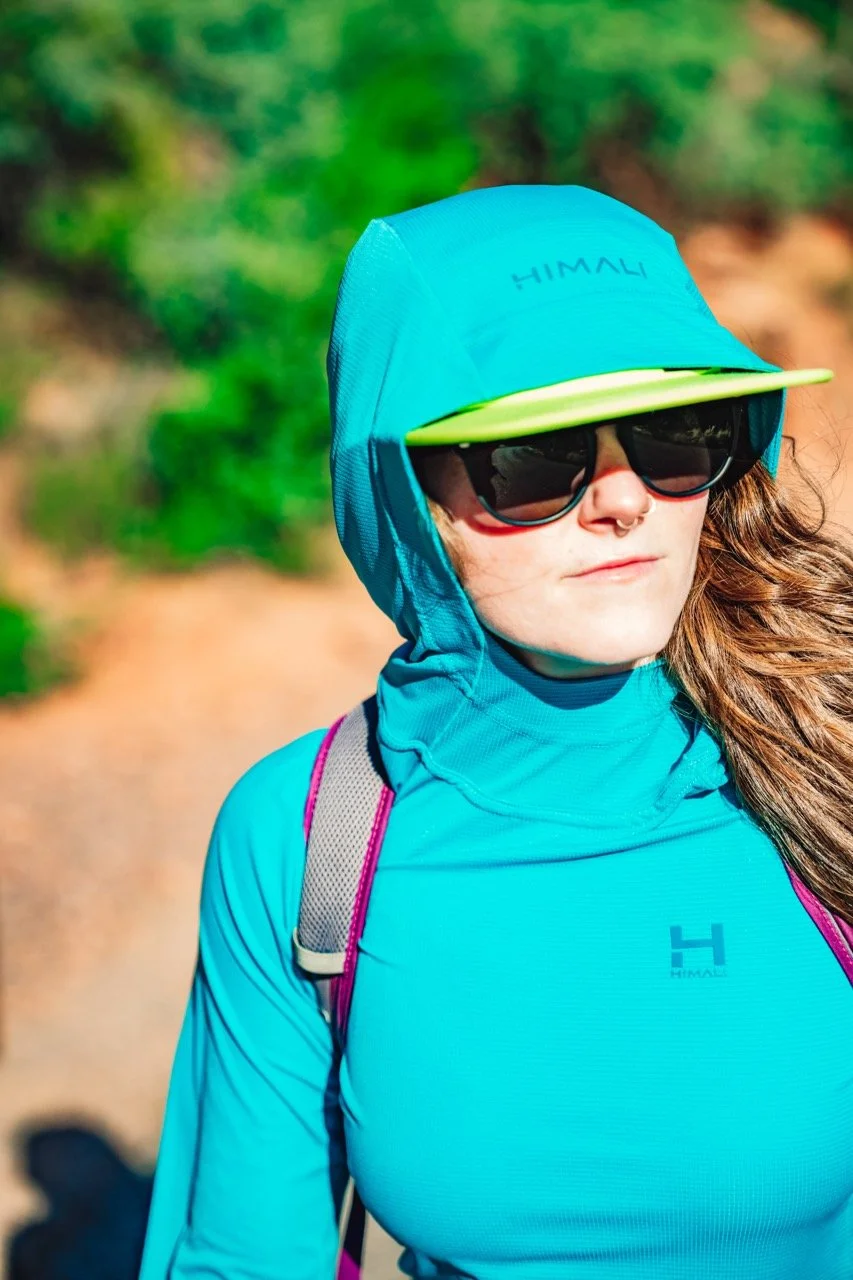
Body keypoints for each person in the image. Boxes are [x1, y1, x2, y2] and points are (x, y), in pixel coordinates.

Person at [137, 184, 853, 1280]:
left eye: (672, 434)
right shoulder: (304, 833)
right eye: (536, 457)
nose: (623, 501)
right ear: (398, 492)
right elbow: (241, 1255)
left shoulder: (829, 748)